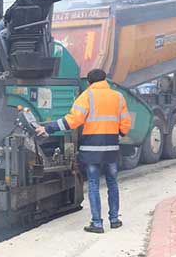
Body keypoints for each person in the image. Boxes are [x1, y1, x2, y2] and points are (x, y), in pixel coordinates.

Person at [35, 69, 131, 233]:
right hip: (111, 149)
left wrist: (48, 129)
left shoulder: (87, 96)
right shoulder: (118, 97)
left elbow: (72, 120)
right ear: (105, 80)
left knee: (93, 184)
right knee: (112, 183)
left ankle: (97, 223)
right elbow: (126, 124)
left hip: (92, 150)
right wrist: (118, 133)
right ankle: (114, 220)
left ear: (89, 82)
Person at [0, 0, 76, 48]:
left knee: (1, 34)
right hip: (37, 30)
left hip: (19, 31)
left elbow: (9, 13)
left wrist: (6, 21)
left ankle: (4, 57)